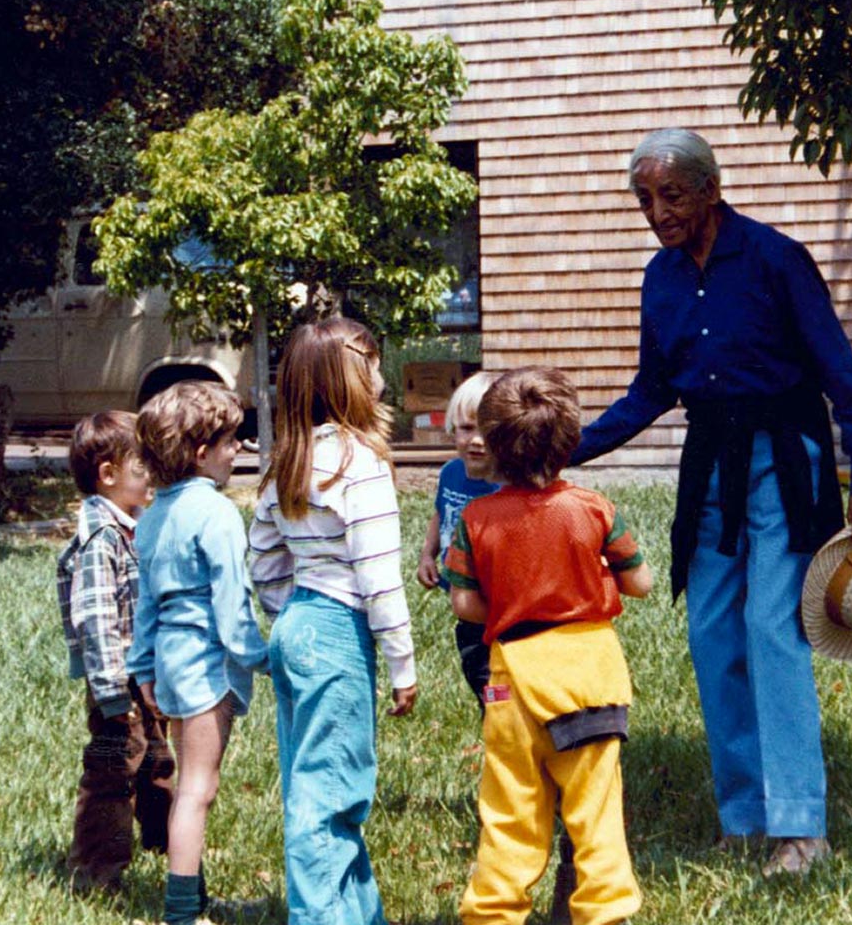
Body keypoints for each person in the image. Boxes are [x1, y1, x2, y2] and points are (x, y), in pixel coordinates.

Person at [570, 128, 852, 875]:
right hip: (711, 464)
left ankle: (801, 825)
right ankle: (743, 816)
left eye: (671, 196)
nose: (657, 212)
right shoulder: (662, 277)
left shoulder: (778, 260)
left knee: (771, 631)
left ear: (712, 189)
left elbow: (842, 377)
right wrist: (566, 448)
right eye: (645, 199)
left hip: (785, 458)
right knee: (714, 635)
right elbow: (652, 391)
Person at [444, 366, 651, 925]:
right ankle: (603, 915)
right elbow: (642, 582)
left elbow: (463, 604)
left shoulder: (475, 517)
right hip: (589, 678)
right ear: (568, 443)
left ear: (493, 445)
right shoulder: (595, 509)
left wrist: (513, 604)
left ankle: (492, 914)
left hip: (510, 680)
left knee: (509, 815)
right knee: (596, 814)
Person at [249, 317, 417, 925]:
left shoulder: (287, 464)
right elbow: (379, 575)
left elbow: (263, 560)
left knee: (310, 781)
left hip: (296, 629)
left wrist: (290, 618)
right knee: (332, 794)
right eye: (370, 364)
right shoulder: (361, 465)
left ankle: (357, 913)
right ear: (348, 379)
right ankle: (319, 915)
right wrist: (402, 663)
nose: (379, 374)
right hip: (338, 632)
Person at [127, 381, 270, 925]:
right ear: (200, 452)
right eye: (231, 440)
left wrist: (142, 666)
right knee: (197, 791)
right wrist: (262, 656)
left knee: (191, 783)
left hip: (169, 666)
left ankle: (197, 897)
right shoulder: (215, 513)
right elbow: (232, 605)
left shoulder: (154, 514)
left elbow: (147, 603)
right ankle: (182, 913)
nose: (239, 450)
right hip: (207, 669)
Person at [57, 410, 174, 893]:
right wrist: (111, 694)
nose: (152, 474)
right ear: (108, 475)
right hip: (115, 683)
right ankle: (96, 869)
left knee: (156, 758)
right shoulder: (100, 541)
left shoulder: (134, 528)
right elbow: (98, 623)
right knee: (111, 769)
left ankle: (166, 839)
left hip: (141, 674)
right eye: (142, 465)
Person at [417, 371, 500, 705]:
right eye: (467, 428)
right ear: (452, 428)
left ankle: (502, 731)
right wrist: (427, 554)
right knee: (478, 673)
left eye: (487, 430)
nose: (476, 440)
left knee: (496, 687)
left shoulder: (503, 484)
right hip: (465, 608)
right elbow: (441, 513)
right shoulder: (451, 473)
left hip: (496, 610)